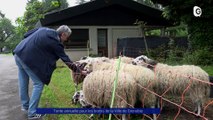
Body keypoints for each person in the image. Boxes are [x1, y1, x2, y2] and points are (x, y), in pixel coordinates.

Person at [13, 25, 80, 119]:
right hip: (27, 58)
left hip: (18, 53)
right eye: (67, 37)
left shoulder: (43, 29)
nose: (66, 39)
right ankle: (32, 113)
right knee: (38, 84)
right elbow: (66, 60)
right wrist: (79, 71)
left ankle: (26, 106)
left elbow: (26, 35)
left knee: (23, 82)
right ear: (63, 34)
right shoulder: (56, 42)